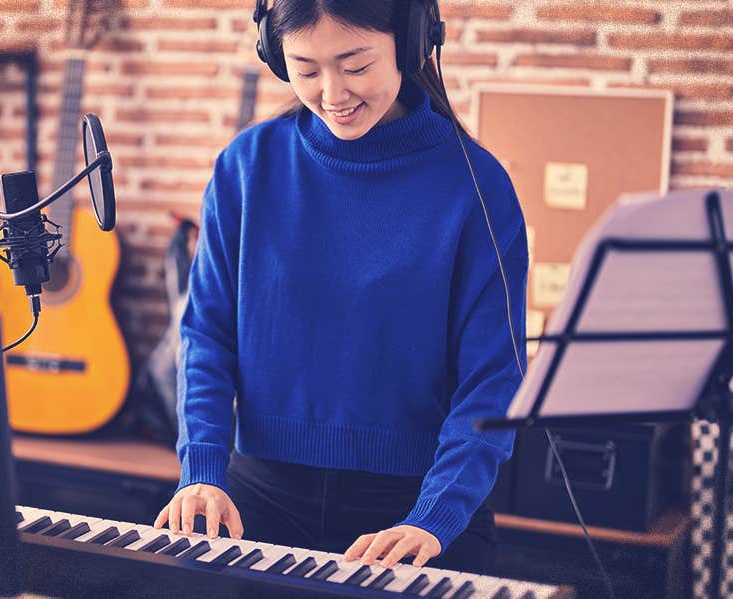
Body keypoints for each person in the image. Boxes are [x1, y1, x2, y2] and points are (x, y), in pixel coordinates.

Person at [153, 0, 528, 575]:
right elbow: (205, 334)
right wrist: (201, 470)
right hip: (255, 496)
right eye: (306, 70)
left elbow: (493, 379)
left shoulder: (478, 186)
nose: (332, 93)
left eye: (355, 66)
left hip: (416, 511)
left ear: (408, 43)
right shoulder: (246, 167)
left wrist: (434, 517)